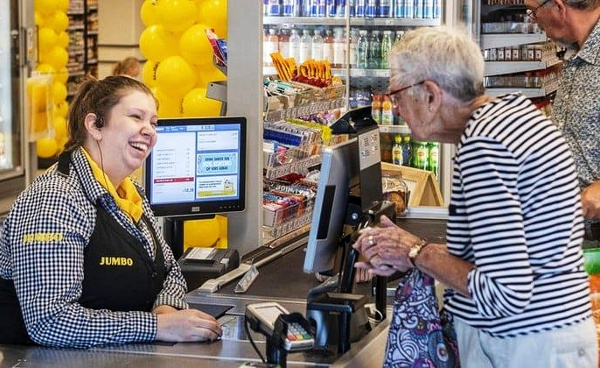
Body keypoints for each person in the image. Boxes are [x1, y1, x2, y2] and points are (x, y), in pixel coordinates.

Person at [353, 26, 597, 368]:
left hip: (522, 348)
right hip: (550, 341)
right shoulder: (515, 117)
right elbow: (502, 254)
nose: (395, 109)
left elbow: (503, 292)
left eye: (397, 95)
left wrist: (415, 251)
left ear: (431, 94)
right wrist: (413, 254)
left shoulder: (485, 147)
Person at [0, 76, 222, 348]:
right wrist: (156, 326)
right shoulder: (54, 199)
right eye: (136, 117)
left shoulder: (132, 193)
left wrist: (165, 309)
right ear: (95, 125)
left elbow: (170, 270)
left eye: (153, 122)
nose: (149, 131)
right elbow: (50, 321)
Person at [525, 0, 600, 245]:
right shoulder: (576, 52)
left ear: (559, 8)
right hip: (573, 240)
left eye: (533, 10)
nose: (532, 19)